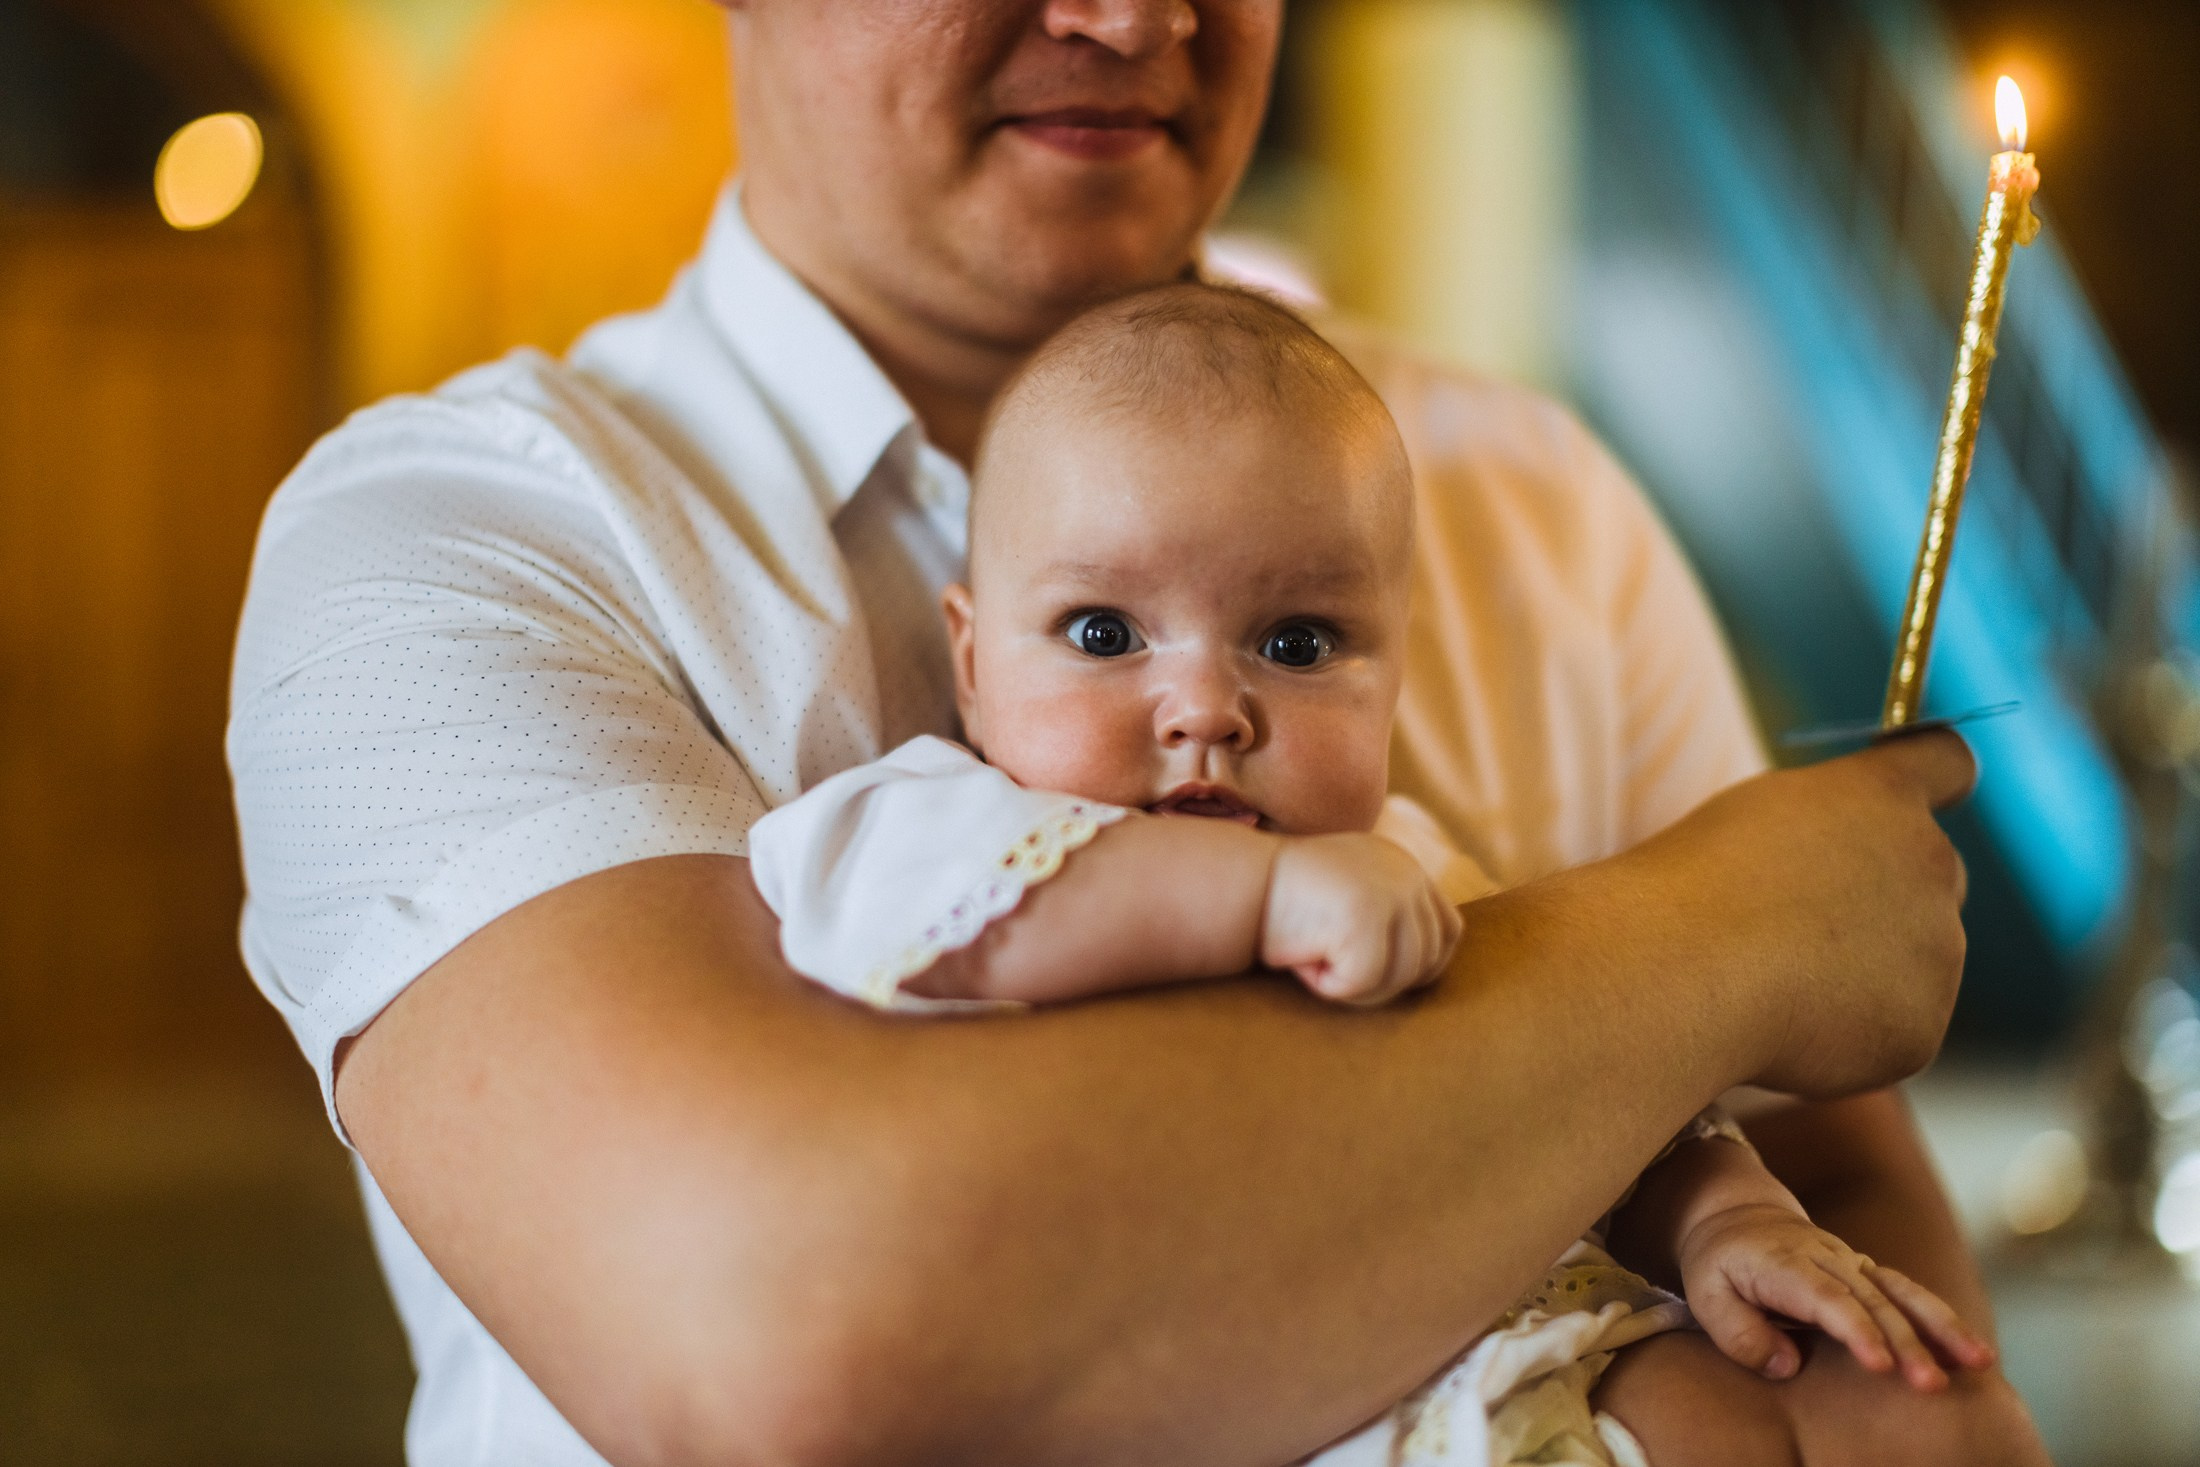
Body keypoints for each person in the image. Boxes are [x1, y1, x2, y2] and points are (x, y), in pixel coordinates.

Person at [226, 2, 2048, 1463]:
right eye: (1099, 633)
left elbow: (1842, 1205)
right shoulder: (462, 538)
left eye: (1302, 640)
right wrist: (1709, 937)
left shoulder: (1530, 492)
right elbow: (787, 1332)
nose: (1134, 15)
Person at [745, 281, 1998, 1466]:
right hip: (1218, 1394)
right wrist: (1261, 901)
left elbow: (1598, 1081)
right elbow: (965, 928)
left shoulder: (1404, 863)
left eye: (1296, 643)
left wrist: (1722, 1213)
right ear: (972, 664)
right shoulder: (930, 821)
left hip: (1523, 1359)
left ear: (1395, 681)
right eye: (1102, 634)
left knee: (1809, 1408)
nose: (1204, 709)